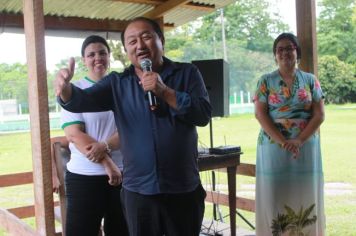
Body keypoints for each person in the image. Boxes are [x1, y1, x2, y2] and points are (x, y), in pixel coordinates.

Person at [54, 17, 211, 236]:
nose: (139, 45)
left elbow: (202, 114)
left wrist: (164, 91)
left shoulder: (187, 73)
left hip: (182, 189)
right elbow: (82, 100)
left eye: (146, 37)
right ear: (127, 49)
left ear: (161, 40)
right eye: (132, 41)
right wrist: (66, 90)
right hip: (139, 194)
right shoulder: (118, 83)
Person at [253, 32, 325, 235]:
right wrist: (284, 142)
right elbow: (260, 114)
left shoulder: (311, 80)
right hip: (273, 146)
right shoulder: (265, 81)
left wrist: (299, 140)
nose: (285, 52)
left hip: (306, 145)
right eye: (280, 49)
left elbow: (319, 115)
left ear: (297, 52)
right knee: (275, 194)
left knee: (305, 193)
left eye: (290, 48)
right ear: (275, 55)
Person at [59, 35, 129, 236]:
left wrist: (106, 146)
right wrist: (108, 164)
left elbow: (129, 129)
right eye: (91, 54)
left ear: (109, 57)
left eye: (102, 53)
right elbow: (74, 134)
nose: (97, 58)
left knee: (121, 231)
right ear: (84, 60)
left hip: (124, 175)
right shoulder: (74, 89)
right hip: (84, 177)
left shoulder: (121, 87)